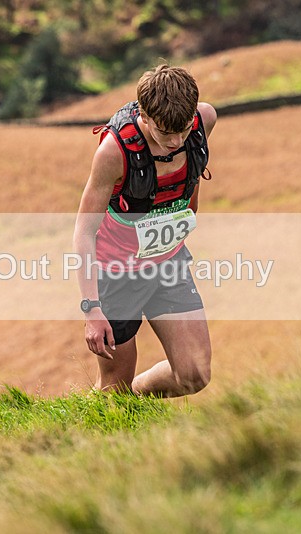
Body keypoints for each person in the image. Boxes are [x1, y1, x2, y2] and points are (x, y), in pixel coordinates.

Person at [73, 64, 217, 397]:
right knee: (114, 389)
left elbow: (193, 170)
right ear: (145, 116)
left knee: (194, 375)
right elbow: (84, 231)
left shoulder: (204, 119)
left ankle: (136, 395)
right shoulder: (113, 152)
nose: (176, 141)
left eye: (183, 130)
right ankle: (116, 400)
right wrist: (91, 308)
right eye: (166, 132)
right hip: (116, 273)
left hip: (168, 264)